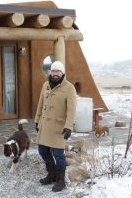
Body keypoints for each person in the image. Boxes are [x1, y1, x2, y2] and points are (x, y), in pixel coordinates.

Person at [34, 61, 77, 192]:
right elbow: (40, 104)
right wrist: (37, 120)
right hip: (45, 125)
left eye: (58, 71)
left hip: (59, 127)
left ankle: (60, 180)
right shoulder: (45, 85)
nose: (55, 73)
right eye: (53, 71)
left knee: (58, 154)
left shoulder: (69, 88)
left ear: (63, 72)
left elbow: (71, 109)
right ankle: (52, 174)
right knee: (42, 151)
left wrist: (69, 126)